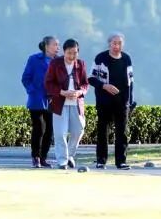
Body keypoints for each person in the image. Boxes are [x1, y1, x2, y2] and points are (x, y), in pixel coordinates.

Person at [90, 32, 135, 169]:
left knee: (122, 132)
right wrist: (104, 86)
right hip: (104, 102)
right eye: (114, 43)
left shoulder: (126, 59)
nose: (117, 46)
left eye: (119, 43)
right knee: (103, 131)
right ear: (109, 44)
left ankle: (121, 161)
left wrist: (130, 102)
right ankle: (101, 160)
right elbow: (91, 78)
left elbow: (130, 82)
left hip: (122, 102)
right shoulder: (100, 58)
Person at [44, 38, 89, 169]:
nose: (72, 56)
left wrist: (79, 92)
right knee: (60, 133)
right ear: (64, 52)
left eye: (75, 53)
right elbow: (48, 83)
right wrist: (62, 92)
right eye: (69, 53)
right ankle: (62, 161)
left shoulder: (81, 64)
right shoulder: (55, 63)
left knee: (79, 130)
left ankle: (69, 155)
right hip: (60, 103)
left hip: (76, 103)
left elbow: (85, 84)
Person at [21, 36, 58, 167]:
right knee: (39, 128)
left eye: (58, 45)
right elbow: (25, 78)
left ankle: (43, 158)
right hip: (37, 99)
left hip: (53, 100)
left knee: (50, 130)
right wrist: (32, 90)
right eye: (55, 44)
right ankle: (35, 156)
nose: (57, 47)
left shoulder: (59, 61)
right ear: (47, 46)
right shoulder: (34, 59)